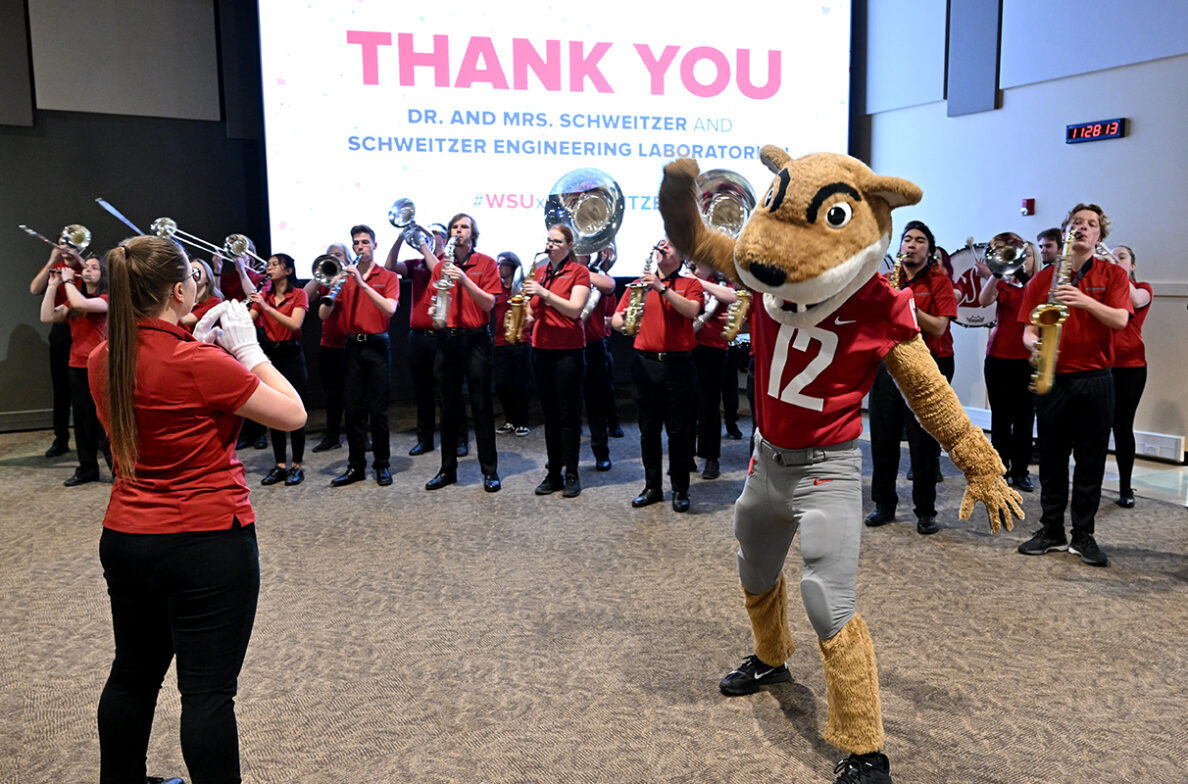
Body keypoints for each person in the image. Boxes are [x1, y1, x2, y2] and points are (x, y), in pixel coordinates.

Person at [88, 235, 305, 784]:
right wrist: (248, 352)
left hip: (128, 536)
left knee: (132, 676)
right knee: (208, 693)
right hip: (207, 541)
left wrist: (195, 338)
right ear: (181, 290)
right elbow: (294, 414)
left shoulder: (100, 357)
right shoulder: (201, 363)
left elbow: (154, 368)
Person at [1017, 204, 1131, 567]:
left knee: (1090, 460)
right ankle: (1052, 529)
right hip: (1054, 376)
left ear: (1099, 236)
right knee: (1051, 459)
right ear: (1067, 231)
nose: (1083, 228)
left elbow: (1120, 319)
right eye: (1076, 223)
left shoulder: (1113, 274)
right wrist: (1031, 345)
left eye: (1091, 224)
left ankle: (1084, 534)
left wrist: (1084, 300)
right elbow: (1028, 328)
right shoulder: (1042, 279)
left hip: (1096, 378)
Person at [865, 221, 958, 535]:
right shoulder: (885, 280)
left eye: (920, 241)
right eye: (907, 240)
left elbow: (939, 327)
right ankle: (884, 505)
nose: (912, 245)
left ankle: (925, 511)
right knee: (883, 437)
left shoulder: (940, 282)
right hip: (888, 364)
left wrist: (906, 306)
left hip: (927, 364)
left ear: (929, 251)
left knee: (924, 444)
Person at [611, 238, 703, 512]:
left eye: (670, 245)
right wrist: (623, 321)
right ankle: (652, 486)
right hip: (645, 364)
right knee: (648, 430)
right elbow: (617, 318)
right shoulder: (640, 284)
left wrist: (661, 288)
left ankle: (680, 489)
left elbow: (692, 310)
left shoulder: (690, 284)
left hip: (679, 365)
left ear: (681, 254)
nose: (663, 247)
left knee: (679, 431)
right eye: (660, 244)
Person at [425, 213, 502, 492]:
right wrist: (435, 311)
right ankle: (447, 469)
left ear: (473, 233)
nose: (459, 231)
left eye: (464, 227)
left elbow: (489, 303)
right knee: (447, 407)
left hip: (476, 340)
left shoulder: (487, 263)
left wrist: (465, 280)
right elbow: (432, 303)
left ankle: (490, 471)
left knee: (481, 406)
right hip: (448, 339)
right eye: (455, 227)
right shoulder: (440, 267)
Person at [321, 225, 400, 487]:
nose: (360, 247)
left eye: (365, 242)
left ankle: (382, 465)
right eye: (356, 243)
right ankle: (355, 466)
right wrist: (331, 292)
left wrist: (362, 284)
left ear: (374, 246)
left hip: (378, 346)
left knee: (378, 411)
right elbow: (322, 315)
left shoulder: (387, 276)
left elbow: (389, 309)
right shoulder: (345, 277)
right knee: (353, 410)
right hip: (353, 347)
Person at [388, 224, 471, 455]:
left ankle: (459, 439)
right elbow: (389, 266)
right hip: (417, 337)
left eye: (434, 234)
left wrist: (425, 244)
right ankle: (425, 438)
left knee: (450, 390)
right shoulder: (416, 264)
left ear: (443, 239)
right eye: (427, 234)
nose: (427, 237)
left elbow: (438, 270)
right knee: (423, 391)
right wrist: (399, 238)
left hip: (443, 336)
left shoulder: (448, 261)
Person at [523, 225, 591, 497]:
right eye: (548, 240)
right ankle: (553, 473)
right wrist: (525, 314)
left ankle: (572, 473)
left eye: (557, 241)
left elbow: (575, 310)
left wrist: (545, 294)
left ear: (569, 245)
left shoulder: (579, 272)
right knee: (549, 414)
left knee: (568, 414)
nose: (550, 245)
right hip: (541, 348)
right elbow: (532, 307)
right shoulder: (540, 272)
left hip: (568, 350)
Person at [39, 255, 110, 486]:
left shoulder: (106, 298)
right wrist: (52, 286)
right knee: (81, 421)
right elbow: (47, 316)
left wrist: (68, 282)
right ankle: (87, 469)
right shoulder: (74, 301)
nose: (87, 270)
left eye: (94, 268)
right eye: (86, 267)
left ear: (103, 274)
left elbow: (81, 305)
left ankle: (120, 471)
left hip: (102, 368)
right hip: (76, 366)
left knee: (105, 423)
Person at [977, 235, 1040, 492]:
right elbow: (982, 301)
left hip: (1027, 359)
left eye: (1026, 256)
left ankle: (1021, 472)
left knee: (1025, 420)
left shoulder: (1038, 286)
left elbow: (1039, 304)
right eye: (1019, 256)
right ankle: (1000, 470)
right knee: (1000, 419)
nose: (1022, 260)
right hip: (999, 358)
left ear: (1032, 259)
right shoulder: (1004, 285)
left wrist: (1025, 279)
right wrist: (997, 273)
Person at [250, 253, 310, 486]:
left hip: (292, 354)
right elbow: (250, 318)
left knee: (296, 410)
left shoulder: (299, 294)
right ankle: (279, 465)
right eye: (269, 264)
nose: (269, 268)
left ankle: (296, 465)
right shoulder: (263, 294)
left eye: (274, 265)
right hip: (271, 355)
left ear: (288, 271)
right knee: (274, 411)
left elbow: (295, 324)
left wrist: (265, 306)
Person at [1108, 244, 1152, 509]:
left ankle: (1126, 487)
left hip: (1131, 366)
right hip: (1100, 366)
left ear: (1132, 265)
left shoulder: (1143, 287)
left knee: (1123, 427)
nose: (1116, 260)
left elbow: (1135, 300)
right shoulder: (1107, 289)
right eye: (1112, 257)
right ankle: (1086, 486)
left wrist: (1115, 269)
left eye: (1121, 257)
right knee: (1094, 428)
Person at [688, 259, 738, 480]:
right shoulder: (685, 279)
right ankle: (686, 455)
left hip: (712, 348)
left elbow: (731, 296)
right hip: (685, 347)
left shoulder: (720, 282)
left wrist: (698, 281)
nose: (691, 261)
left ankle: (711, 458)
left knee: (708, 405)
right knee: (685, 406)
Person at [30, 244, 81, 457]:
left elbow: (101, 286)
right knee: (61, 389)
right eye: (63, 243)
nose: (66, 248)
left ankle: (94, 439)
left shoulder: (88, 266)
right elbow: (34, 289)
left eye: (72, 245)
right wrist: (52, 260)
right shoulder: (56, 266)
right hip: (62, 330)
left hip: (85, 327)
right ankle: (61, 439)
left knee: (86, 391)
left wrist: (79, 259)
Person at [305, 242, 350, 452]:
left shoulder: (353, 278)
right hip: (329, 344)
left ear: (347, 258)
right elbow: (304, 296)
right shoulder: (326, 280)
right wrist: (319, 274)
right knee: (332, 394)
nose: (335, 258)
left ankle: (359, 435)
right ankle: (332, 436)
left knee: (356, 393)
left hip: (351, 343)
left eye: (339, 255)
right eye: (331, 255)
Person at [579, 247, 618, 470]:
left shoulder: (599, 278)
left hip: (593, 345)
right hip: (567, 345)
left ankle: (601, 452)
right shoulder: (560, 273)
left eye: (582, 250)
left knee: (596, 403)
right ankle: (566, 453)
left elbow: (609, 303)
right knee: (568, 404)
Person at [492, 252, 532, 437]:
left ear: (513, 266)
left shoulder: (523, 287)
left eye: (504, 264)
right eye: (498, 264)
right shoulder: (495, 288)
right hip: (501, 341)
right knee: (502, 384)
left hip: (521, 340)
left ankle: (522, 421)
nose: (500, 267)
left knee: (520, 383)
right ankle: (509, 420)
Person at [180, 258, 224, 333]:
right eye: (189, 271)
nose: (192, 274)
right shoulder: (183, 297)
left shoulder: (214, 302)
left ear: (207, 278)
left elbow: (186, 320)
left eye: (196, 271)